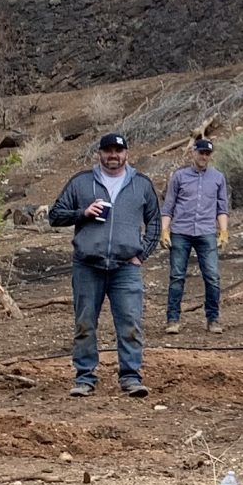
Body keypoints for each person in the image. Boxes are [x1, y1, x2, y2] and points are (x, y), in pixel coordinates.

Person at [49, 133, 161, 398]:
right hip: (88, 265)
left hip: (126, 268)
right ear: (99, 153)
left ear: (126, 154)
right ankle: (85, 378)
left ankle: (131, 378)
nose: (114, 155)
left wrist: (141, 254)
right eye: (108, 150)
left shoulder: (142, 185)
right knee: (85, 323)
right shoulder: (81, 182)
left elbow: (155, 221)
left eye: (118, 151)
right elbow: (54, 215)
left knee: (130, 324)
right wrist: (83, 213)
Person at [162, 137, 230, 336]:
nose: (204, 157)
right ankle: (172, 319)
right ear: (193, 152)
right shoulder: (179, 177)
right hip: (181, 232)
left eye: (207, 153)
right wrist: (165, 230)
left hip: (206, 232)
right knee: (176, 277)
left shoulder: (218, 178)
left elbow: (222, 208)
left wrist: (223, 231)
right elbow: (168, 206)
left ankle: (213, 318)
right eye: (201, 152)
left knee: (212, 277)